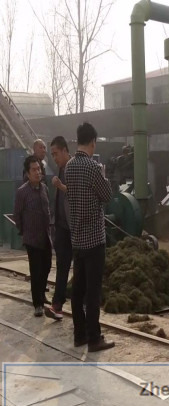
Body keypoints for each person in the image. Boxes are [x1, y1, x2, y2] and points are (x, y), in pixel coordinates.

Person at [65, 122, 114, 352]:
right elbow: (107, 195)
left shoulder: (69, 167)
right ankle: (95, 338)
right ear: (92, 142)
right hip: (94, 239)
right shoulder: (93, 168)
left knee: (78, 290)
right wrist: (104, 175)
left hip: (77, 239)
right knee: (93, 291)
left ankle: (79, 334)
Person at [14, 156, 52, 317]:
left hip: (45, 236)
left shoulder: (45, 188)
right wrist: (24, 232)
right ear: (27, 173)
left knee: (47, 266)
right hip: (31, 238)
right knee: (35, 271)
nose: (38, 172)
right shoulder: (22, 192)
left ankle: (41, 294)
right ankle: (37, 304)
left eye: (39, 169)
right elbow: (17, 214)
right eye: (34, 170)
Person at [45, 136, 72, 321]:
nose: (54, 158)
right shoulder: (61, 168)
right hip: (62, 227)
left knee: (78, 267)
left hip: (74, 228)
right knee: (62, 266)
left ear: (64, 150)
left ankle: (80, 304)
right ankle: (57, 305)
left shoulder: (73, 168)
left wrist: (61, 187)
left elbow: (77, 192)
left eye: (56, 154)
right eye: (52, 155)